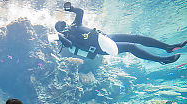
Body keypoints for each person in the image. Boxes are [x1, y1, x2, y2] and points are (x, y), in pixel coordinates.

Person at [55, 2, 187, 64]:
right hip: (100, 47)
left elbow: (80, 12)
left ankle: (167, 47)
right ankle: (162, 60)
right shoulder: (67, 38)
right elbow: (68, 44)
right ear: (60, 30)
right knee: (131, 46)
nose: (64, 25)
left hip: (104, 37)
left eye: (62, 23)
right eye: (60, 26)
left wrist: (71, 8)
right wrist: (60, 37)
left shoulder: (75, 25)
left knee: (136, 38)